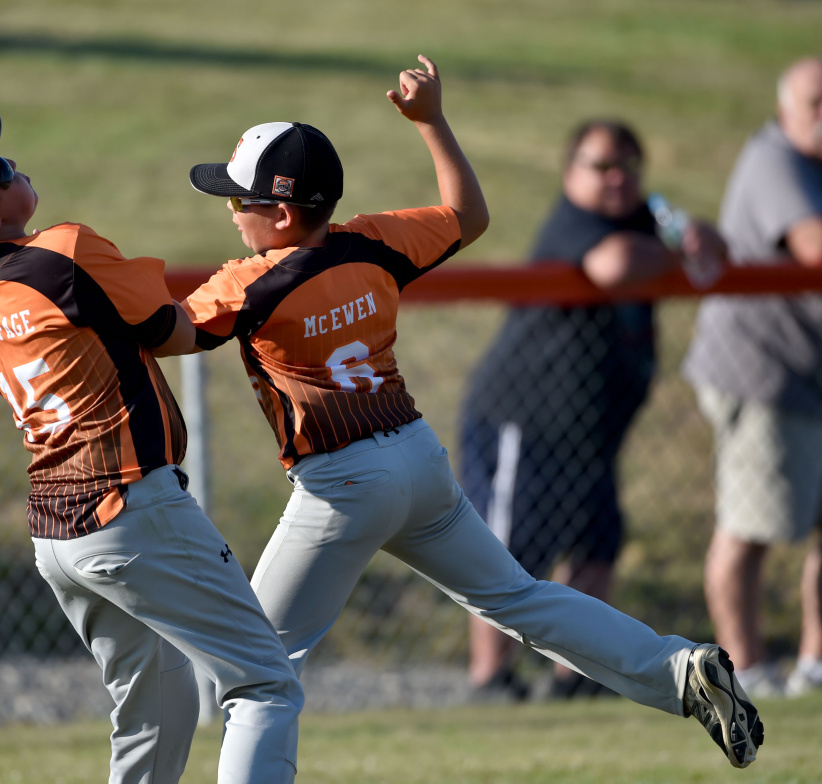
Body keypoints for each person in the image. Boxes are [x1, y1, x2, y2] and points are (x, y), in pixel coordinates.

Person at [179, 55, 763, 768]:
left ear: (278, 212)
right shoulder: (371, 240)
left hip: (340, 485)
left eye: (236, 201)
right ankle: (675, 668)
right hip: (416, 460)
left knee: (258, 669)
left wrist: (84, 300)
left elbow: (169, 336)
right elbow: (468, 216)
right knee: (517, 597)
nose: (230, 214)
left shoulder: (249, 284)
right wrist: (432, 123)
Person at [0, 97, 304, 784]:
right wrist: (262, 281)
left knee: (156, 707)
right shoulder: (64, 250)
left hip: (57, 537)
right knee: (264, 683)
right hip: (130, 511)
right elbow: (171, 330)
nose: (13, 164)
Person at [457, 120, 728, 701]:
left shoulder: (647, 220)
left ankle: (577, 676)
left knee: (595, 547)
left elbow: (716, 249)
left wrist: (694, 233)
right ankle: (490, 677)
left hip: (594, 429)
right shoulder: (575, 222)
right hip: (525, 418)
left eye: (628, 167)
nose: (616, 179)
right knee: (507, 552)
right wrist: (679, 248)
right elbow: (612, 266)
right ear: (570, 170)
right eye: (601, 166)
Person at [683, 57, 822, 699]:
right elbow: (818, 249)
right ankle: (747, 675)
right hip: (765, 377)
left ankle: (819, 664)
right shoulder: (777, 160)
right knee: (749, 528)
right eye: (817, 104)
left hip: (817, 376)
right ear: (786, 109)